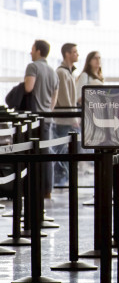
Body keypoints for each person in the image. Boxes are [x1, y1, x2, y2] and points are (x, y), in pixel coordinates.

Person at [24, 40, 59, 198]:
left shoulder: (33, 67)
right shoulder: (53, 71)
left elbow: (28, 88)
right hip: (48, 117)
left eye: (32, 49)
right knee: (47, 153)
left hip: (35, 118)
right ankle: (47, 189)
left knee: (33, 153)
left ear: (38, 51)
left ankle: (34, 189)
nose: (30, 52)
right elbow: (54, 98)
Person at [53, 43, 79, 187]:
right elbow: (64, 98)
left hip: (69, 118)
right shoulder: (62, 72)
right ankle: (60, 180)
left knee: (68, 150)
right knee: (62, 150)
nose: (77, 54)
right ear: (67, 54)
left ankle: (66, 180)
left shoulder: (70, 72)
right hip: (64, 119)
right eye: (74, 52)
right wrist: (73, 117)